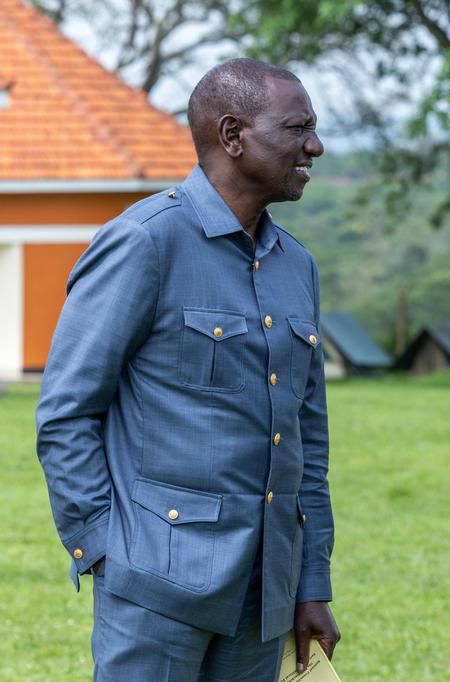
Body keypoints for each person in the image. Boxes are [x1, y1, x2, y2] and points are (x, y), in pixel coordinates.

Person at [36, 58, 339, 681]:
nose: (315, 145)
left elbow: (307, 445)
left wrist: (309, 582)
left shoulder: (297, 266)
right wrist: (103, 552)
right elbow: (67, 413)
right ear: (232, 135)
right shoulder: (145, 242)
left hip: (266, 600)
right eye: (297, 128)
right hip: (153, 590)